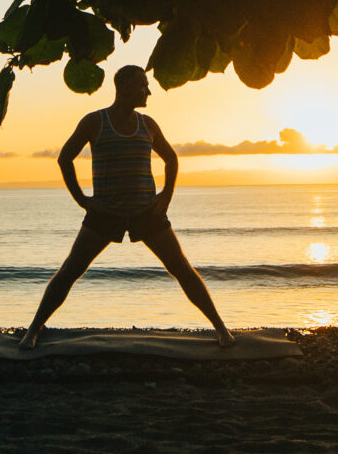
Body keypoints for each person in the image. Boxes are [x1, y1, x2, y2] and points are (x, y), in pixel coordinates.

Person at [21, 64, 234, 349]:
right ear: (124, 89)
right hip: (106, 213)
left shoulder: (148, 123)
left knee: (181, 269)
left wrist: (166, 196)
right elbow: (65, 158)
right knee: (71, 270)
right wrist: (83, 201)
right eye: (143, 85)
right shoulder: (94, 121)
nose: (149, 91)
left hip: (147, 212)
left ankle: (221, 329)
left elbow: (171, 159)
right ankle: (33, 330)